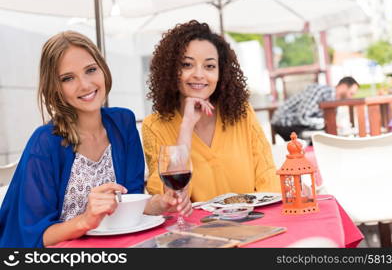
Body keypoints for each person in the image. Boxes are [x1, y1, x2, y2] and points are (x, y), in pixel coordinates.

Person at [0, 31, 191, 248]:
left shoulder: (123, 123)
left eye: (90, 70)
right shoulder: (45, 142)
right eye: (68, 78)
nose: (85, 84)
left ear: (103, 69)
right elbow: (34, 237)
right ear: (55, 87)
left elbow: (129, 203)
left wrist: (161, 203)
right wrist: (85, 220)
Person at [142, 20, 280, 203]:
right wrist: (186, 127)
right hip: (197, 230)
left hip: (253, 222)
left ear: (221, 73)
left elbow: (268, 179)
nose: (199, 74)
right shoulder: (154, 126)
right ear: (171, 70)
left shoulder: (242, 113)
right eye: (187, 65)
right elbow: (170, 199)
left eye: (209, 66)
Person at [271, 76, 360, 141]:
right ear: (343, 86)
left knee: (328, 136)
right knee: (323, 138)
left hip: (299, 125)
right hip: (284, 123)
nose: (350, 98)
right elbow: (303, 117)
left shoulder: (334, 100)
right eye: (351, 93)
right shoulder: (320, 91)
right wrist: (327, 123)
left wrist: (331, 124)